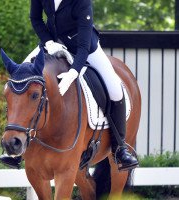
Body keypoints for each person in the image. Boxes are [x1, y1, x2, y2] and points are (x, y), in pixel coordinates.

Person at [26, 0, 139, 171]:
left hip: (85, 47)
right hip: (53, 44)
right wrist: (48, 42)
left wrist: (73, 73)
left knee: (115, 88)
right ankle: (16, 142)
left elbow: (84, 46)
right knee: (20, 76)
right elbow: (35, 18)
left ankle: (119, 148)